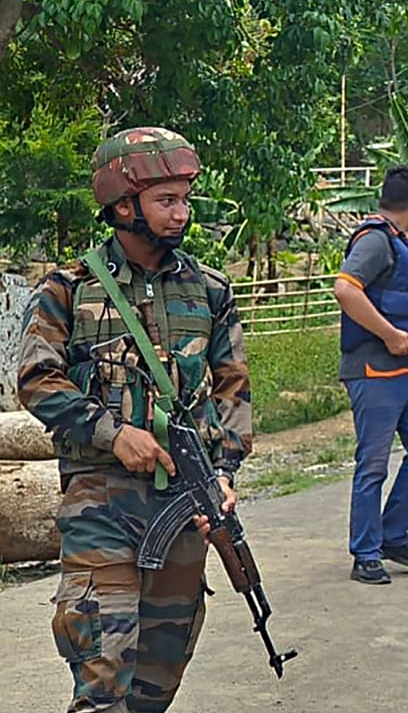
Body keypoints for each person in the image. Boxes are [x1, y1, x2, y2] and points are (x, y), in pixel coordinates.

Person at [18, 127, 249, 710]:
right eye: (166, 200)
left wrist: (223, 473)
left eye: (185, 199)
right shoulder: (68, 290)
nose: (181, 214)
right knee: (105, 677)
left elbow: (233, 390)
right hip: (102, 505)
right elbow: (36, 379)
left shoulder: (210, 291)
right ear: (124, 206)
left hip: (184, 510)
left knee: (154, 684)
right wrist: (114, 435)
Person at [333, 165, 408, 584]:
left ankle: (392, 534)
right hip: (376, 371)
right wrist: (390, 334)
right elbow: (345, 289)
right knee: (373, 464)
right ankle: (366, 553)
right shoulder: (375, 240)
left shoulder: (404, 245)